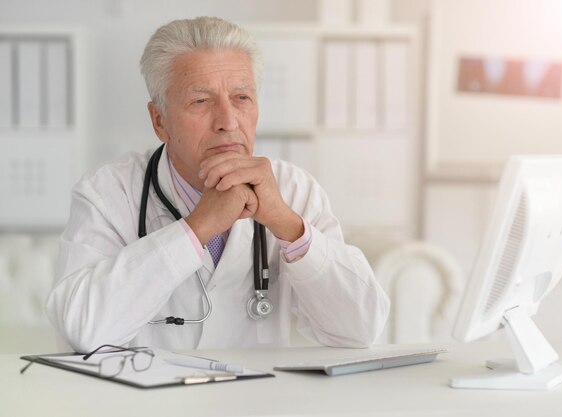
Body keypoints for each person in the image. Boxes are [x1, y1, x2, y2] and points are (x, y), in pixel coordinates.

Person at [46, 16, 389, 353]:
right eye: (201, 101)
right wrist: (197, 229)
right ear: (159, 120)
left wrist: (287, 226)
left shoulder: (296, 190)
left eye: (242, 98)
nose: (228, 122)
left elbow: (361, 329)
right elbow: (83, 331)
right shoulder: (108, 193)